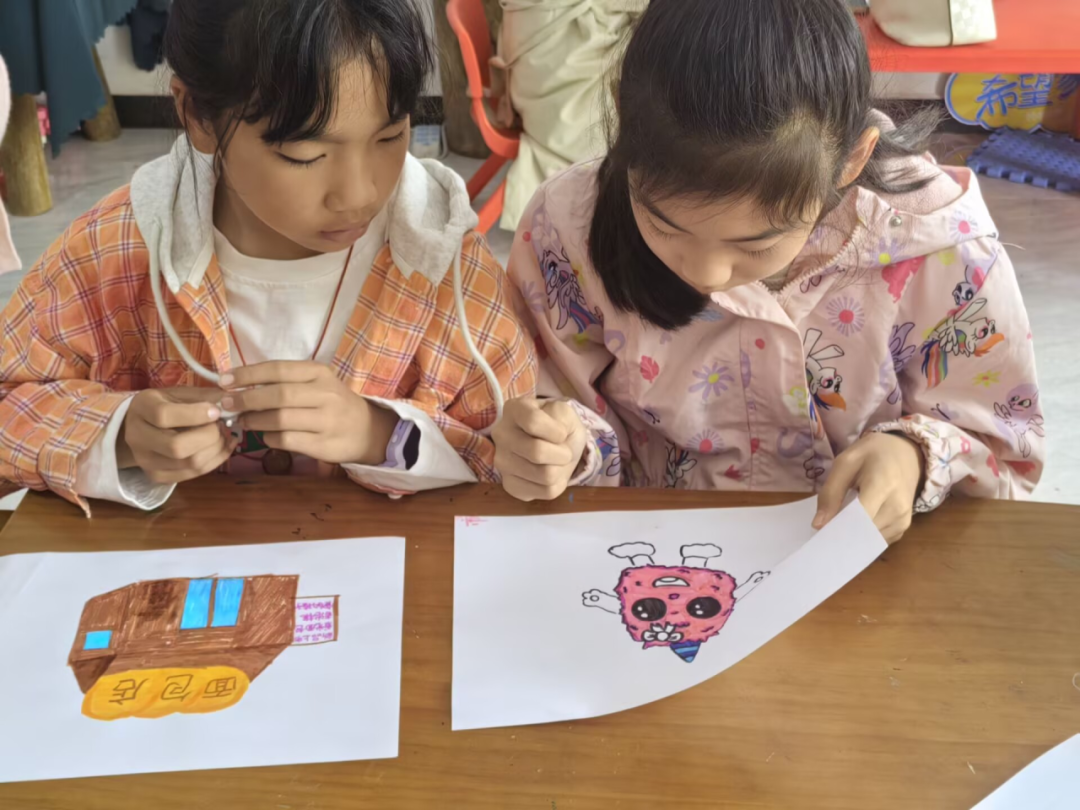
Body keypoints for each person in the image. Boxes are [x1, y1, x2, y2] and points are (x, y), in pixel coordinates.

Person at [494, 0, 1043, 542]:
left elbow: (1006, 452)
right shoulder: (568, 230)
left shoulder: (942, 252)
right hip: (652, 554)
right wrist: (559, 445)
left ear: (852, 159)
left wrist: (915, 457)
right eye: (663, 225)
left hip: (862, 565)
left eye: (757, 243)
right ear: (623, 118)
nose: (706, 273)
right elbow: (548, 396)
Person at [0, 0, 535, 516]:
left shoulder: (447, 268)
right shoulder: (118, 248)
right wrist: (119, 433)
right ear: (197, 114)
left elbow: (511, 455)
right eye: (305, 155)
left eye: (391, 135)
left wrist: (381, 435)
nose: (358, 194)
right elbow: (11, 398)